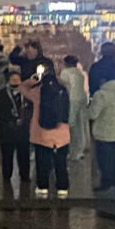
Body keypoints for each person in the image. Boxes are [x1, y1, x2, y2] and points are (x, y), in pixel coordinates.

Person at [21, 67, 71, 198]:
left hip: (41, 133)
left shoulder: (37, 92)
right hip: (61, 134)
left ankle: (43, 186)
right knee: (61, 162)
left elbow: (22, 88)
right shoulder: (63, 91)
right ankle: (62, 187)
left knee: (42, 162)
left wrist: (33, 80)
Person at [88, 74, 115, 191]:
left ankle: (107, 181)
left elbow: (93, 114)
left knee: (104, 159)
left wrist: (85, 110)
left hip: (103, 132)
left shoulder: (101, 95)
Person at [0, 71, 33, 184]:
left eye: (17, 79)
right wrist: (8, 119)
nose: (15, 82)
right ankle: (6, 176)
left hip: (23, 130)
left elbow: (32, 108)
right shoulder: (2, 93)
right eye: (13, 80)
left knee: (24, 154)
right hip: (7, 130)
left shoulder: (26, 93)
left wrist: (25, 119)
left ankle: (25, 175)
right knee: (7, 155)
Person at [60, 56, 90, 162]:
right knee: (81, 125)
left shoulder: (65, 72)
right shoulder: (80, 73)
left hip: (71, 100)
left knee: (71, 126)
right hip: (81, 99)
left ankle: (72, 151)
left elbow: (65, 86)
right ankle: (80, 150)